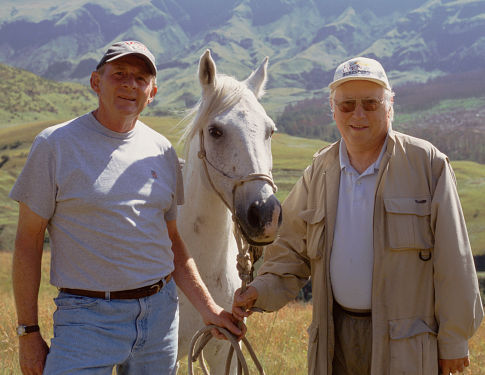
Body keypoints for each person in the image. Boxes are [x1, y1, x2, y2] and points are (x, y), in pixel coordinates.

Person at [233, 56, 484, 375]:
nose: (359, 114)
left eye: (370, 103)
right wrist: (259, 291)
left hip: (406, 348)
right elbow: (289, 254)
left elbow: (455, 262)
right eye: (347, 105)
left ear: (389, 105)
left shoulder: (428, 165)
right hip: (333, 342)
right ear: (332, 108)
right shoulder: (318, 171)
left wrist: (453, 343)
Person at [11, 40, 243, 375]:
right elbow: (27, 243)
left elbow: (172, 241)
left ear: (153, 92)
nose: (129, 84)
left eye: (140, 78)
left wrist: (209, 308)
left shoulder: (162, 151)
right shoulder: (54, 146)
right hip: (86, 319)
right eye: (119, 74)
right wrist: (28, 332)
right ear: (96, 82)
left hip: (160, 316)